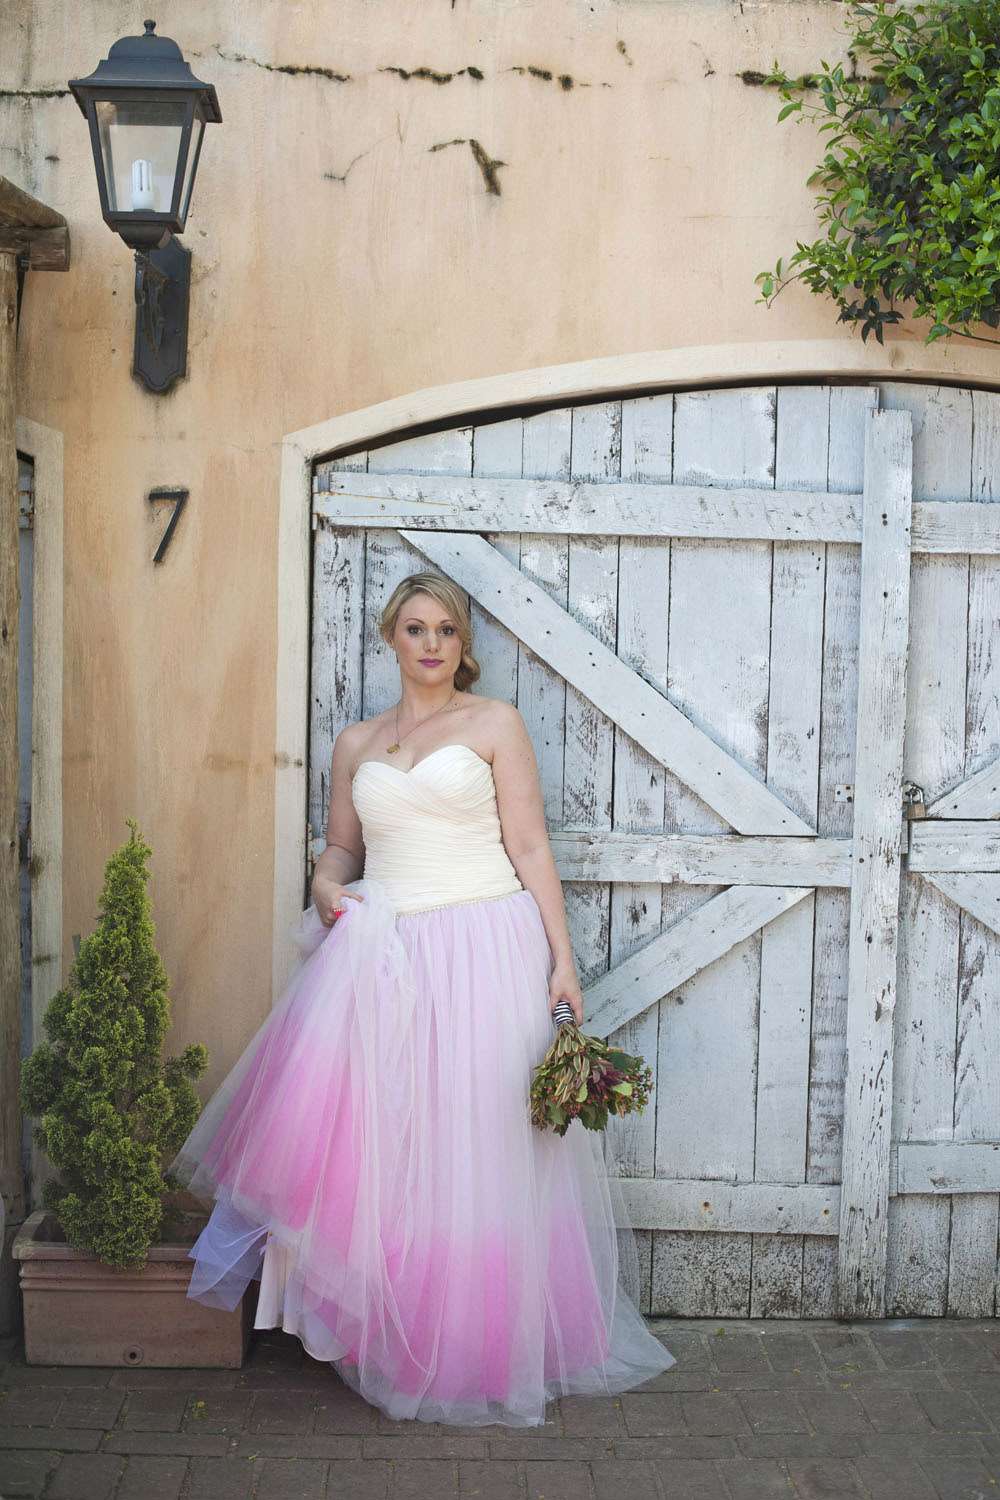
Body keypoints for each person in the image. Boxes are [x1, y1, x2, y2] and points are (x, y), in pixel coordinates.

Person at [168, 570, 676, 1427]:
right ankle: (396, 1332)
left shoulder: (493, 724)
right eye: (415, 628)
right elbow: (341, 850)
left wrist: (563, 962)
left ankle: (482, 1341)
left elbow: (529, 846)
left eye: (446, 629)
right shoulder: (357, 743)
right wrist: (327, 889)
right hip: (382, 956)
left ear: (462, 643)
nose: (431, 643)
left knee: (479, 1145)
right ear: (390, 637)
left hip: (484, 947)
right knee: (390, 1148)